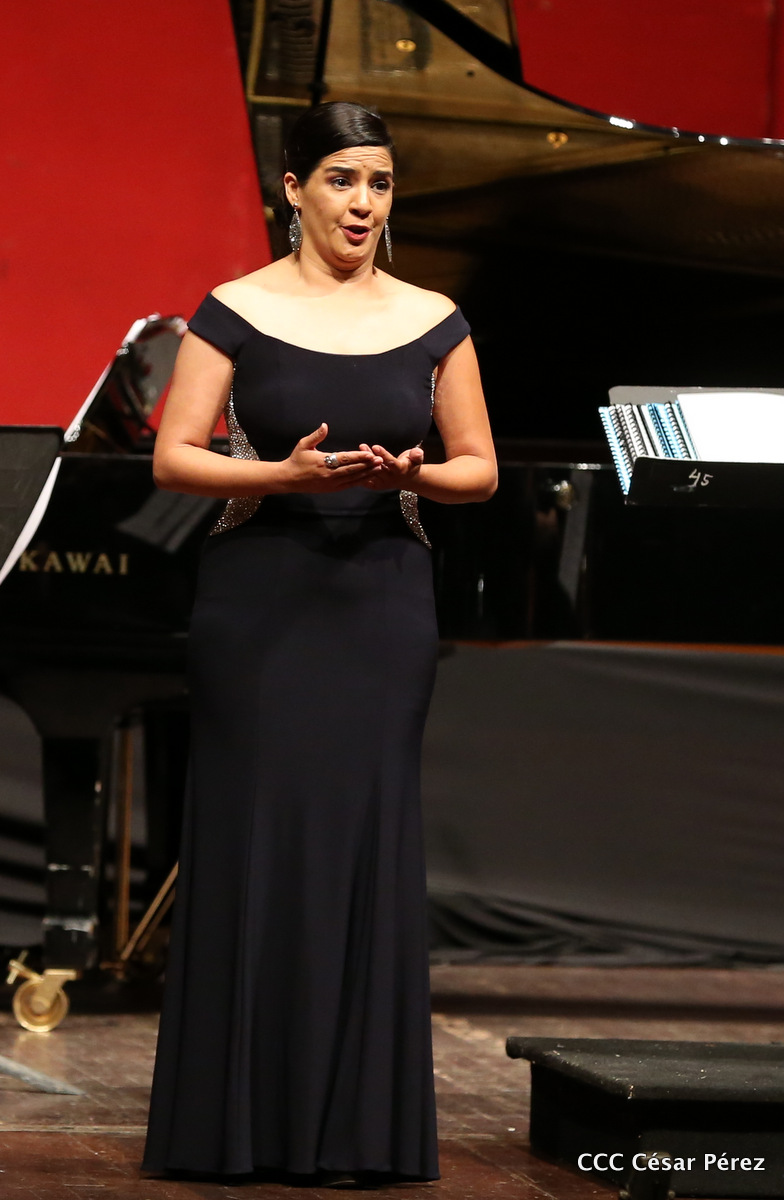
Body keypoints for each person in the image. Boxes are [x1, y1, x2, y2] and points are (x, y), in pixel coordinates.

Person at [141, 100, 497, 1188]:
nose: (362, 203)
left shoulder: (434, 318)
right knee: (254, 838)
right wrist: (282, 476)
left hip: (380, 603)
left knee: (363, 841)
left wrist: (416, 474)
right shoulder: (234, 310)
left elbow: (478, 467)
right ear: (292, 188)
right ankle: (236, 1127)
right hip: (262, 600)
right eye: (342, 179)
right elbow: (174, 457)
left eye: (379, 183)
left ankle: (357, 1131)